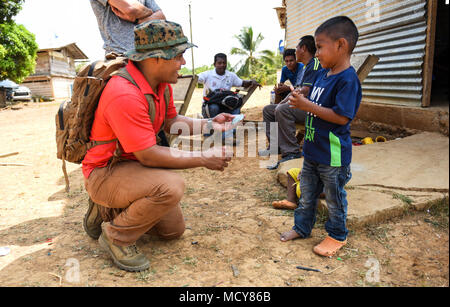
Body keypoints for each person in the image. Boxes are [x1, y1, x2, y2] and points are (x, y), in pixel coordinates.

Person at [82, 20, 236, 272]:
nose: (183, 63)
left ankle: (111, 208)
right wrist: (203, 157)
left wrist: (211, 124)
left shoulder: (159, 84)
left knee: (172, 232)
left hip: (131, 168)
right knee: (171, 186)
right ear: (155, 58)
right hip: (106, 171)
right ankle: (115, 236)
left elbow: (172, 122)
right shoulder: (124, 93)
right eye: (178, 56)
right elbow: (149, 155)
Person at [280, 16, 362, 258]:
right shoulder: (323, 74)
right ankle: (302, 227)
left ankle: (337, 234)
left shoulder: (348, 79)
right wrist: (305, 91)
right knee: (306, 194)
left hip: (332, 156)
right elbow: (313, 92)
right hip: (313, 152)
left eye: (320, 47)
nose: (316, 54)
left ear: (341, 45)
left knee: (335, 198)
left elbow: (341, 117)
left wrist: (306, 106)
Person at [261, 36, 322, 170]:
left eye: (297, 49)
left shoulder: (315, 64)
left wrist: (284, 102)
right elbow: (298, 89)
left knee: (282, 110)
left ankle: (291, 152)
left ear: (304, 49)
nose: (295, 52)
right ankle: (275, 146)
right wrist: (283, 100)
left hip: (313, 108)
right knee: (268, 110)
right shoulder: (306, 67)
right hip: (302, 105)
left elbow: (304, 91)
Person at [198, 53, 260, 141]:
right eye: (219, 63)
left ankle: (227, 133)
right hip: (210, 107)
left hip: (225, 106)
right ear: (214, 64)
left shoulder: (230, 76)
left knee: (236, 109)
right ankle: (216, 132)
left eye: (224, 63)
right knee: (214, 107)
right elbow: (196, 78)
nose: (222, 65)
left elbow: (242, 83)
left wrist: (251, 82)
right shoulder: (207, 75)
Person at [90, 0, 165, 56]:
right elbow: (131, 8)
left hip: (148, 58)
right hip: (121, 58)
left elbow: (161, 19)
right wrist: (149, 13)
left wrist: (137, 19)